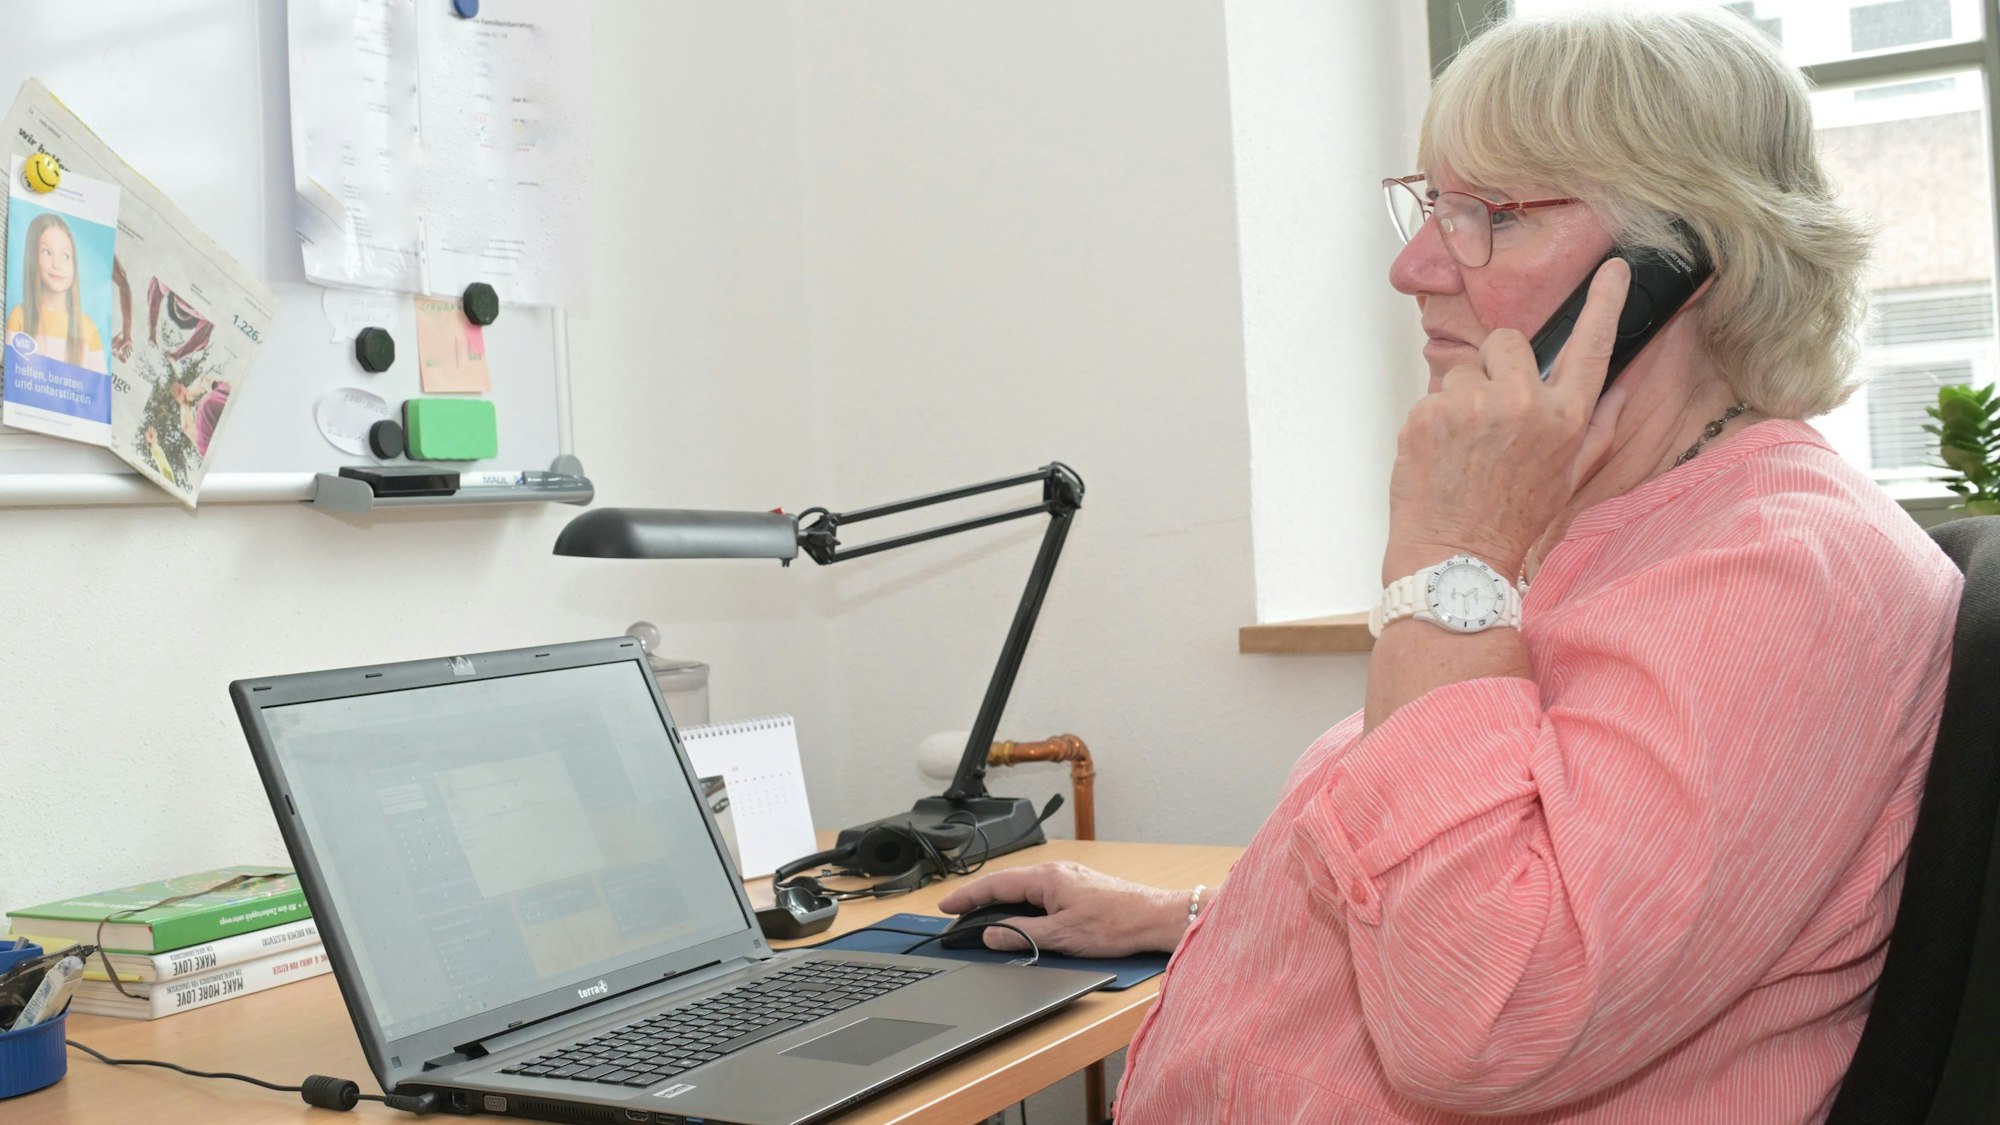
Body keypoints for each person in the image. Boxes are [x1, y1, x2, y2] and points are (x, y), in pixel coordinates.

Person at [938, 9, 1963, 1122]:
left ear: (1678, 263)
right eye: (1431, 203)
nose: (1413, 265)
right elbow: (1515, 879)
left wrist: (1447, 552)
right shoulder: (1618, 526)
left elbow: (1485, 1018)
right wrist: (1190, 912)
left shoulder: (1773, 582)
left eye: (1493, 216)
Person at [6, 211, 107, 374]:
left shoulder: (88, 329)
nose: (57, 264)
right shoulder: (19, 316)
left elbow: (97, 390)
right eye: (47, 252)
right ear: (33, 257)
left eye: (66, 256)